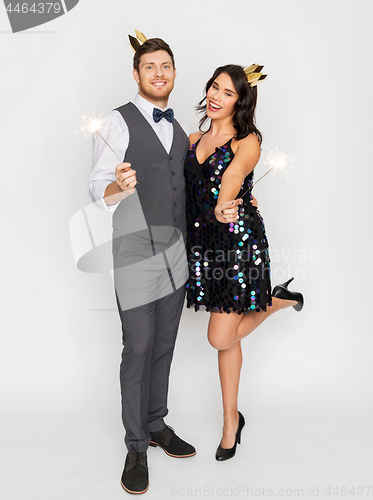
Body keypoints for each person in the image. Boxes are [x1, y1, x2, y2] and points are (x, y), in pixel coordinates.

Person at [88, 33, 196, 495]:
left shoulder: (180, 129)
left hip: (177, 252)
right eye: (149, 66)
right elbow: (96, 189)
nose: (158, 73)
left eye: (165, 66)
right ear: (136, 75)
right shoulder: (117, 121)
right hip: (134, 251)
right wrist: (118, 186)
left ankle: (156, 424)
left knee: (164, 345)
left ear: (174, 73)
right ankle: (136, 445)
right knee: (139, 346)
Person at [184, 64, 304, 461]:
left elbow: (233, 178)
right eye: (214, 87)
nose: (217, 96)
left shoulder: (247, 141)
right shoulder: (191, 139)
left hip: (238, 244)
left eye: (228, 92)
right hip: (205, 246)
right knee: (228, 336)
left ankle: (278, 301)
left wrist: (223, 205)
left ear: (241, 101)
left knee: (219, 337)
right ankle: (231, 422)